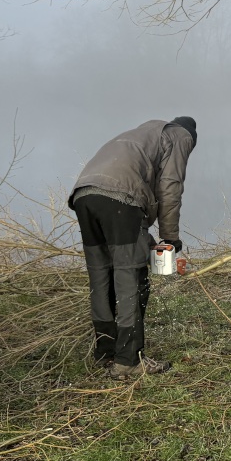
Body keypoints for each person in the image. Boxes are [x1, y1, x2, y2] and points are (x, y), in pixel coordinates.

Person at [69, 117, 197, 378]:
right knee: (130, 277)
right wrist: (170, 238)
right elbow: (170, 188)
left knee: (101, 275)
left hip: (84, 195)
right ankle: (128, 360)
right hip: (119, 197)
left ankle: (106, 352)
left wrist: (148, 242)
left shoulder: (141, 134)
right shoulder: (180, 135)